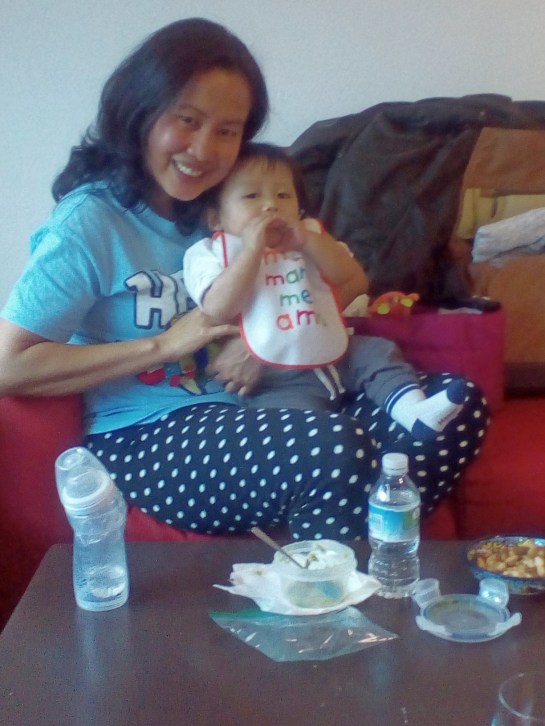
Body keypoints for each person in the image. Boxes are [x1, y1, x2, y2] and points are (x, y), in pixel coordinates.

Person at [0, 18, 489, 541]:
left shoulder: (232, 206)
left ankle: (353, 553)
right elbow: (10, 365)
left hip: (264, 405)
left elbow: (334, 286)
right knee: (331, 448)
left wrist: (263, 345)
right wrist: (163, 345)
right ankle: (333, 578)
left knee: (458, 406)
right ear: (139, 112)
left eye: (227, 131)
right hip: (151, 435)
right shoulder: (91, 223)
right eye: (187, 120)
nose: (203, 149)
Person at [183, 142, 467, 441]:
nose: (270, 205)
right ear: (215, 219)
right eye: (252, 196)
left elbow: (350, 277)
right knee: (301, 431)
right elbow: (219, 307)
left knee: (378, 352)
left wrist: (308, 242)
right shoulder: (210, 253)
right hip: (279, 379)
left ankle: (414, 412)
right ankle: (346, 450)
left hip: (339, 354)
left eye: (283, 195)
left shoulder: (308, 237)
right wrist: (251, 250)